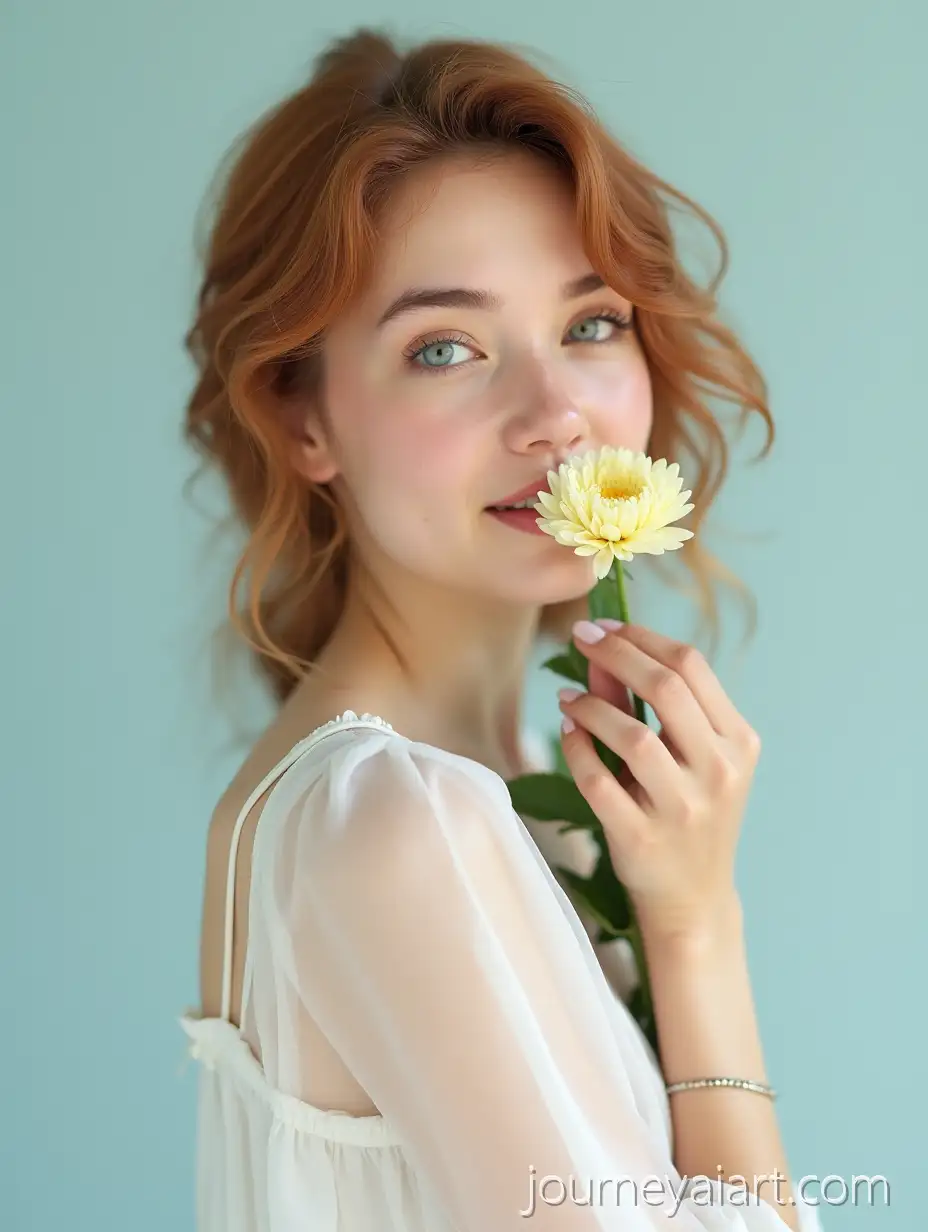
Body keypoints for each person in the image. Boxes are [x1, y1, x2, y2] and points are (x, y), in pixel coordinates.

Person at [179, 26, 822, 1231]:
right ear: (303, 417)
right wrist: (695, 929)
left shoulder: (509, 780)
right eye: (445, 348)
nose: (556, 415)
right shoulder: (394, 821)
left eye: (589, 324)